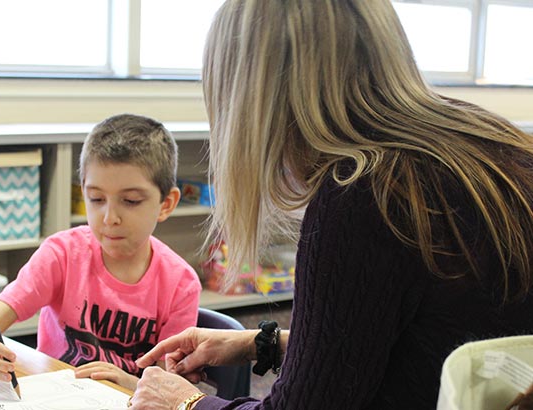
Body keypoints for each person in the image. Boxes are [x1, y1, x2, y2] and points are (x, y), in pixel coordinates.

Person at [128, 0, 533, 409]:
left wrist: (186, 403)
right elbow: (416, 342)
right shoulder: (485, 141)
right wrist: (263, 343)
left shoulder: (364, 194)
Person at [0, 114, 202, 391]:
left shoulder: (180, 284)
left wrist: (128, 382)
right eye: (96, 199)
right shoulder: (62, 254)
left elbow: (171, 387)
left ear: (166, 204)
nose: (109, 217)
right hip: (55, 396)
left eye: (131, 201)